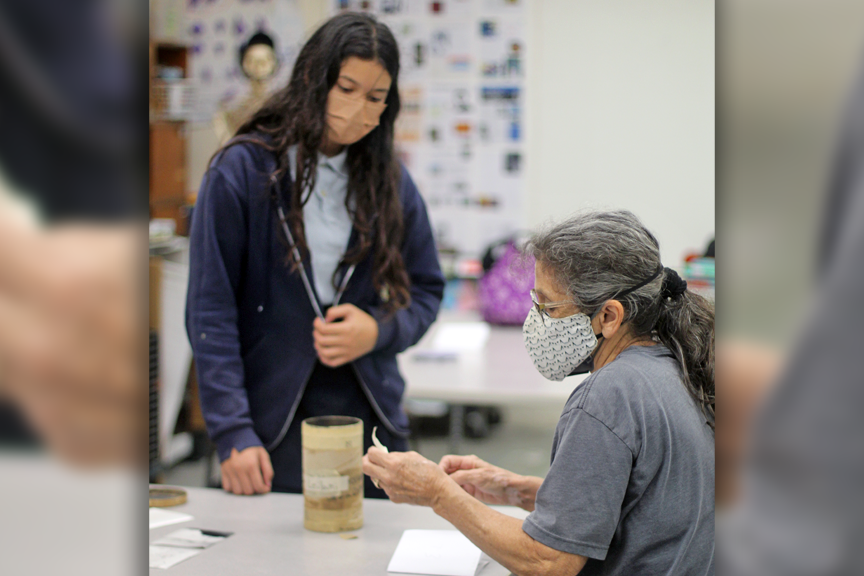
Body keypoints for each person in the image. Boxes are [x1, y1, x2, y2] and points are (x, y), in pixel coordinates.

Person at [364, 211, 715, 575]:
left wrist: (438, 492)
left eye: (547, 306)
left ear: (609, 316)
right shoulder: (681, 362)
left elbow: (549, 562)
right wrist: (517, 489)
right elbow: (639, 505)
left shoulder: (609, 397)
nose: (536, 320)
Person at [186, 13, 444, 498]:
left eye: (374, 97)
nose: (358, 109)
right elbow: (209, 311)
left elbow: (426, 289)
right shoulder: (240, 171)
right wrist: (232, 431)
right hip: (269, 423)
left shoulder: (390, 180)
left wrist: (379, 329)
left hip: (371, 418)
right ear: (314, 79)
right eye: (346, 88)